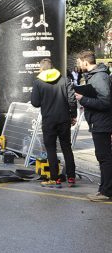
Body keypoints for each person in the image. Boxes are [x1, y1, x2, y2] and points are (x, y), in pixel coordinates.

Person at [31, 58, 77, 188]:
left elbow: (35, 103)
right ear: (52, 67)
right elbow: (72, 100)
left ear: (41, 69)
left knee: (51, 148)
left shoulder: (38, 82)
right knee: (66, 147)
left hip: (48, 120)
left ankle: (54, 178)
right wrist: (73, 115)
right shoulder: (64, 80)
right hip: (64, 119)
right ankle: (71, 177)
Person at [75, 51, 112, 202]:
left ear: (85, 62)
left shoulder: (99, 77)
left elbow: (105, 102)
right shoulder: (95, 76)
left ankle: (106, 191)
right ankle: (103, 189)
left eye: (78, 62)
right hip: (98, 121)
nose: (77, 65)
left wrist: (83, 99)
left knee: (104, 157)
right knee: (103, 157)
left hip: (102, 122)